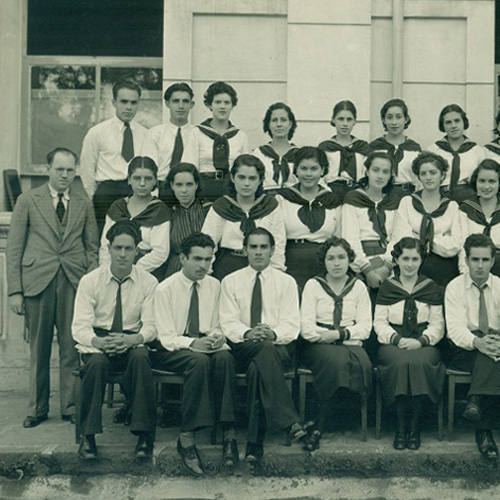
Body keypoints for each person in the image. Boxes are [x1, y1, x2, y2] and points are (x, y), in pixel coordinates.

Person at [6, 147, 99, 428]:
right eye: (59, 169)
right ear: (48, 169)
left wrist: (90, 285)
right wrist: (15, 291)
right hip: (37, 282)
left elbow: (92, 248)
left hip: (73, 281)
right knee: (39, 348)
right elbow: (14, 248)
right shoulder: (27, 200)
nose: (65, 175)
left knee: (72, 347)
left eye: (70, 170)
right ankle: (37, 408)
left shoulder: (83, 202)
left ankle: (70, 406)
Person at [151, 233, 237, 476]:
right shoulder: (165, 289)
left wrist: (216, 335)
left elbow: (216, 323)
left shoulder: (215, 285)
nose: (203, 265)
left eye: (208, 260)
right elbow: (166, 337)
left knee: (225, 358)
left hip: (203, 345)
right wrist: (193, 343)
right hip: (172, 349)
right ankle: (187, 437)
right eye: (197, 259)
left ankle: (229, 434)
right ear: (182, 258)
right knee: (198, 361)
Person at [220, 228, 307, 467]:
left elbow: (293, 323)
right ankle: (288, 422)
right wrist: (248, 333)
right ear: (245, 250)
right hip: (242, 346)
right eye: (253, 247)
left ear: (272, 250)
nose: (258, 252)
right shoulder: (231, 281)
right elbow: (226, 322)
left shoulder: (286, 282)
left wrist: (273, 333)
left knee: (260, 364)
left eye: (263, 247)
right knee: (263, 351)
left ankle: (254, 443)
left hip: (275, 347)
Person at [72, 220, 158, 460]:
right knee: (95, 365)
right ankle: (87, 437)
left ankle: (144, 436)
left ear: (137, 251)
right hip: (99, 341)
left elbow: (152, 325)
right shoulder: (90, 281)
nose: (122, 254)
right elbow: (79, 327)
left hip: (131, 341)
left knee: (141, 358)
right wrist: (98, 343)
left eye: (128, 249)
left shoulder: (148, 282)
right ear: (108, 249)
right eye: (118, 248)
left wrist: (133, 340)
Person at [300, 237, 372, 451]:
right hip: (318, 346)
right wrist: (330, 336)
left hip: (345, 342)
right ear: (324, 262)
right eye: (331, 258)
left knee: (363, 364)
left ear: (350, 260)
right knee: (336, 361)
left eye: (341, 257)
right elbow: (307, 329)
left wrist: (338, 334)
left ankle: (328, 419)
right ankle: (320, 427)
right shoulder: (313, 285)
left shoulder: (358, 287)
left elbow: (365, 328)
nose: (337, 263)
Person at [374, 237, 445, 451]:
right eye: (405, 258)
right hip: (393, 343)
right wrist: (397, 339)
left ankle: (414, 429)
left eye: (415, 258)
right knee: (399, 363)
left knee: (417, 363)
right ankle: (400, 428)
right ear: (396, 259)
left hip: (424, 343)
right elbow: (379, 322)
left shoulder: (430, 287)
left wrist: (421, 341)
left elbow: (438, 324)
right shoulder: (388, 287)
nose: (410, 264)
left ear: (422, 260)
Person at [445, 234, 500, 461]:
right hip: (463, 348)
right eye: (475, 259)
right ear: (466, 260)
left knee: (492, 354)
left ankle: (478, 410)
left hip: (495, 345)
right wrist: (478, 342)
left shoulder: (499, 286)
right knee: (490, 357)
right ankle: (482, 425)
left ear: (493, 261)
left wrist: (494, 343)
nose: (480, 265)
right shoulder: (455, 287)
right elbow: (455, 330)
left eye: (485, 260)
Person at [79, 79, 156, 233]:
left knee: (135, 239)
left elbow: (150, 169)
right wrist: (98, 196)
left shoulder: (146, 134)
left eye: (133, 103)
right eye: (124, 102)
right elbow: (86, 170)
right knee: (104, 240)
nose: (128, 107)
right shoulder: (97, 132)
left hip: (135, 194)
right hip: (106, 194)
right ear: (114, 102)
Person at [202, 154, 286, 280]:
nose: (246, 183)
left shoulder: (270, 206)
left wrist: (276, 274)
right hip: (228, 266)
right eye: (241, 177)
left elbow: (278, 244)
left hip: (261, 266)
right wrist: (206, 273)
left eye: (252, 178)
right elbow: (207, 242)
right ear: (232, 178)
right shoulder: (222, 206)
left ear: (260, 180)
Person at [392, 151, 463, 287]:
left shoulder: (451, 206)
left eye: (433, 172)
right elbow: (401, 238)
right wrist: (441, 237)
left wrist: (422, 238)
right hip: (412, 264)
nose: (428, 177)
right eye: (423, 173)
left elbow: (455, 244)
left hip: (444, 267)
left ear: (442, 175)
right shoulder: (407, 202)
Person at [277, 146, 342, 290]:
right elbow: (277, 237)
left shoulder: (332, 200)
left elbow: (338, 237)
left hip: (323, 263)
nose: (308, 174)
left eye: (314, 169)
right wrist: (278, 269)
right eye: (304, 168)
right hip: (291, 262)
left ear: (323, 170)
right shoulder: (283, 199)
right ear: (296, 170)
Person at [99, 156, 171, 281]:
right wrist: (107, 271)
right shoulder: (117, 207)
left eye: (148, 179)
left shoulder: (160, 210)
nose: (142, 183)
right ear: (129, 180)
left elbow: (161, 252)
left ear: (155, 181)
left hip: (147, 274)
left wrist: (133, 271)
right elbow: (105, 245)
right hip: (114, 271)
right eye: (137, 178)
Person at [342, 152, 399, 294]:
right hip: (360, 265)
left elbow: (398, 237)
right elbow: (350, 238)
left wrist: (387, 266)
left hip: (387, 264)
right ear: (367, 171)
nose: (380, 176)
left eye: (385, 172)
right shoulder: (353, 199)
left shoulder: (393, 202)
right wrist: (367, 270)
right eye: (375, 170)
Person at [194, 81, 249, 201]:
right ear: (209, 105)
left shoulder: (240, 136)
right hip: (203, 190)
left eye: (227, 102)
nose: (222, 106)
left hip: (231, 190)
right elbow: (189, 168)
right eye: (218, 102)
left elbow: (245, 170)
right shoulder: (196, 133)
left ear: (232, 106)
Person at [149, 82, 199, 202]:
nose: (181, 106)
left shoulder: (198, 134)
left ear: (192, 104)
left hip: (190, 191)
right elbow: (150, 167)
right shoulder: (155, 133)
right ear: (167, 103)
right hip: (163, 189)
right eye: (176, 101)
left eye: (185, 101)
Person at [427, 104, 486, 203]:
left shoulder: (478, 151)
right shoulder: (433, 151)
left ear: (464, 122)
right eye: (448, 122)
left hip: (469, 201)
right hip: (440, 200)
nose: (453, 126)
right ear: (443, 126)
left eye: (457, 121)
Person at [163, 163, 211, 277]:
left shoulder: (209, 210)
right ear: (172, 185)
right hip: (176, 270)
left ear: (196, 185)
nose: (184, 190)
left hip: (205, 269)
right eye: (179, 185)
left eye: (189, 184)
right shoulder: (169, 213)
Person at [369, 99, 421, 199]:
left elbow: (419, 181)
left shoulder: (414, 149)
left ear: (406, 119)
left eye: (398, 117)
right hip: (382, 197)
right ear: (383, 120)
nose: (394, 122)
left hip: (408, 197)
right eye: (389, 117)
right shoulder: (375, 148)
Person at [318, 100, 370, 200]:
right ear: (333, 120)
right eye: (341, 119)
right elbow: (319, 176)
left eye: (349, 119)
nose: (345, 124)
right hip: (330, 194)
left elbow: (367, 175)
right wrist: (327, 193)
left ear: (355, 121)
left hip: (356, 194)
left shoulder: (361, 147)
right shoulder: (325, 147)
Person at [459, 160, 500, 276]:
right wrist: (466, 276)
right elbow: (462, 246)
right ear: (475, 181)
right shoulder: (466, 208)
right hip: (474, 268)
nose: (486, 186)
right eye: (482, 181)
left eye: (492, 181)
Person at [252, 102, 299, 193]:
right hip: (265, 201)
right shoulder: (259, 154)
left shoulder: (299, 154)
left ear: (290, 124)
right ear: (268, 124)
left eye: (283, 120)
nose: (279, 124)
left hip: (293, 201)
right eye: (274, 120)